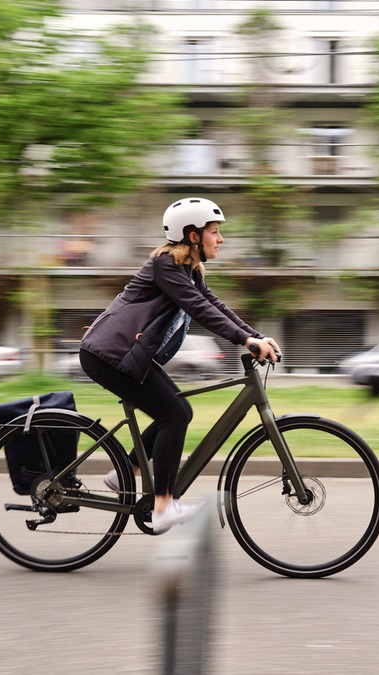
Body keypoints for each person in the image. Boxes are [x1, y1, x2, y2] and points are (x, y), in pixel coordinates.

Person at [78, 197, 281, 533]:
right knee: (174, 414)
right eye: (214, 232)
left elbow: (214, 304)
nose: (221, 239)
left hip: (127, 355)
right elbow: (199, 309)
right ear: (192, 236)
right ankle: (163, 506)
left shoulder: (187, 269)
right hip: (109, 356)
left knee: (178, 411)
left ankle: (125, 470)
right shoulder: (166, 266)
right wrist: (245, 341)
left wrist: (256, 336)